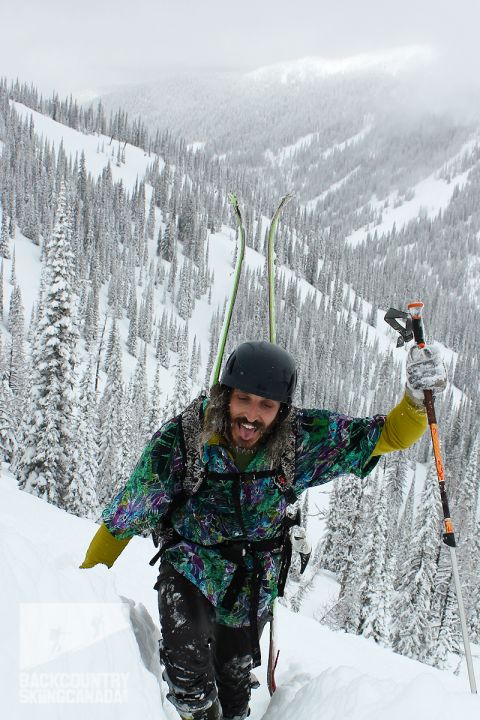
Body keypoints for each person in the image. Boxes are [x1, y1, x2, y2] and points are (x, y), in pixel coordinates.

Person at [81, 340, 446, 720]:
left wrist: (417, 402)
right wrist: (81, 586)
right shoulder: (185, 440)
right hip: (192, 565)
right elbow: (127, 513)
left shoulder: (299, 441)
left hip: (252, 583)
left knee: (233, 691)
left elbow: (386, 436)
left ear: (282, 411)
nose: (251, 416)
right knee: (188, 673)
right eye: (243, 399)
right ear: (225, 396)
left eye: (266, 405)